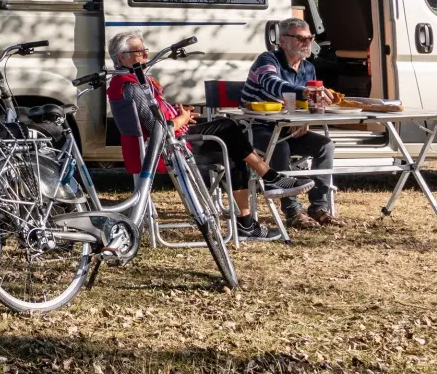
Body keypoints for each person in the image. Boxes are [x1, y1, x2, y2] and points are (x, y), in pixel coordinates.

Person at [104, 32, 302, 240]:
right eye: (139, 51)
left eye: (145, 50)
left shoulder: (127, 83)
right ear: (122, 58)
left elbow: (156, 118)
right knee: (227, 129)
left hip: (167, 143)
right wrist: (181, 118)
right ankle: (267, 181)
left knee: (232, 145)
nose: (146, 54)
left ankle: (249, 216)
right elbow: (157, 128)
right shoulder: (131, 86)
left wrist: (179, 115)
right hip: (166, 150)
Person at [242, 17, 339, 227]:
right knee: (281, 147)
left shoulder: (308, 69)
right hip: (256, 128)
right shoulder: (267, 60)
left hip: (286, 128)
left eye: (310, 38)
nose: (307, 43)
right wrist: (305, 92)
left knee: (325, 146)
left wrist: (303, 120)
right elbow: (273, 84)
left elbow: (305, 105)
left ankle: (319, 207)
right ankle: (293, 211)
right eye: (300, 38)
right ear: (283, 41)